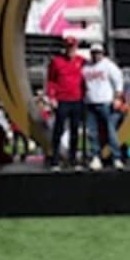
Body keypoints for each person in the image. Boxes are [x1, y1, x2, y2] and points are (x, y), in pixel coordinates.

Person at [83, 43, 124, 171]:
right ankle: (95, 156)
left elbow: (118, 81)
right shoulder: (86, 67)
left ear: (102, 53)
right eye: (94, 53)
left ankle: (116, 157)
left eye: (98, 52)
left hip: (106, 102)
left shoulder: (108, 65)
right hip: (90, 102)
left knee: (110, 131)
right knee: (92, 132)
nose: (96, 55)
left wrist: (117, 98)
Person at [46, 36, 85, 172]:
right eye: (68, 47)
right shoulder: (56, 61)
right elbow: (51, 80)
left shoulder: (81, 61)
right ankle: (55, 159)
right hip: (62, 100)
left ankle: (73, 158)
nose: (70, 50)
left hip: (77, 100)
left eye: (73, 47)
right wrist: (52, 97)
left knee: (75, 130)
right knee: (59, 129)